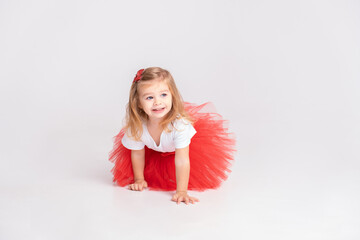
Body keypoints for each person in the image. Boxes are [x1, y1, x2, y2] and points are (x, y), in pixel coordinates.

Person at [109, 67, 236, 204]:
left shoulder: (179, 126)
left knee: (180, 165)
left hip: (182, 153)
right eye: (149, 97)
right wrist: (139, 179)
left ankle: (181, 184)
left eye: (163, 95)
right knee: (144, 167)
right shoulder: (138, 127)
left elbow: (181, 160)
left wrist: (181, 191)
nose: (157, 102)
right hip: (154, 153)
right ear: (139, 103)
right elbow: (138, 154)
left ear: (172, 96)